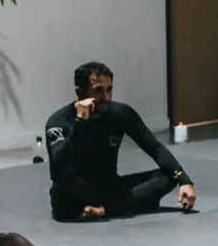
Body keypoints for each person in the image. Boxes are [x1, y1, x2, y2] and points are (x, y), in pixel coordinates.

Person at [43, 61, 197, 222]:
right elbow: (60, 170)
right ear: (79, 92)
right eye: (98, 91)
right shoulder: (59, 122)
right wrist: (80, 123)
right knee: (65, 184)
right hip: (74, 194)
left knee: (168, 175)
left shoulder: (120, 113)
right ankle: (124, 205)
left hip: (108, 187)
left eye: (109, 90)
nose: (106, 97)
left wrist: (184, 180)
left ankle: (103, 210)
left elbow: (155, 148)